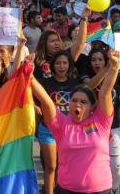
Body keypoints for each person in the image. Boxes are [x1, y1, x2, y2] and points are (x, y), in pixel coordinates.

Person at [31, 50, 120, 194]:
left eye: (83, 102)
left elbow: (105, 91)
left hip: (101, 189)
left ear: (93, 106)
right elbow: (46, 101)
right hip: (66, 190)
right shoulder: (61, 124)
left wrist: (115, 66)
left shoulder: (102, 121)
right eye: (73, 100)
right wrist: (28, 74)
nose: (77, 105)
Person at [81, 47, 120, 192]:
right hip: (91, 127)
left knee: (116, 165)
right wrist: (108, 68)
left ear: (106, 60)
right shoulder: (86, 75)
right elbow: (89, 86)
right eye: (93, 60)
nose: (97, 63)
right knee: (91, 162)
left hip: (113, 126)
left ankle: (114, 188)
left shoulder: (115, 75)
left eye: (100, 60)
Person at [35, 50, 80, 194]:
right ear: (53, 65)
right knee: (51, 168)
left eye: (65, 63)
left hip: (68, 130)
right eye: (58, 63)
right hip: (47, 130)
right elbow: (26, 88)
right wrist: (34, 106)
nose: (62, 66)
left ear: (69, 66)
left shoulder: (75, 83)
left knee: (63, 166)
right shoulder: (44, 82)